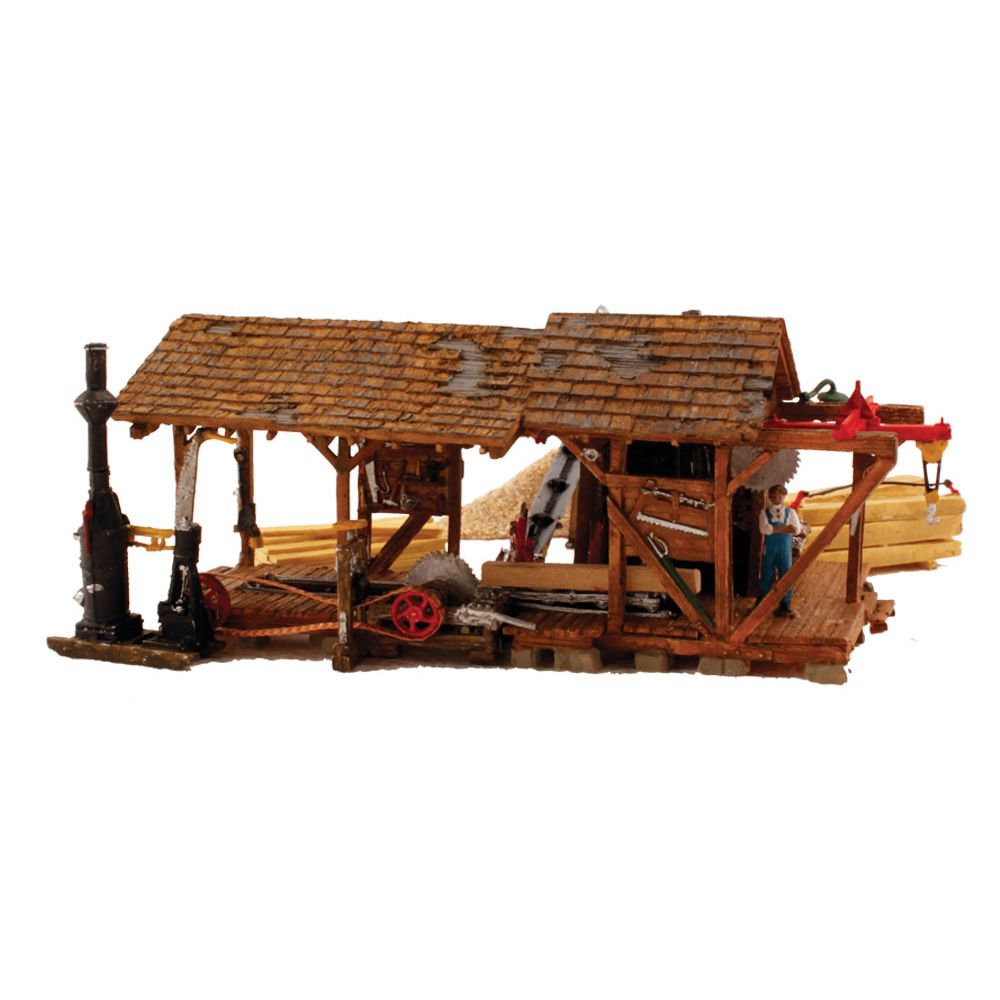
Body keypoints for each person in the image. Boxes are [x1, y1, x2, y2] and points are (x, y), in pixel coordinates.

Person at [757, 484, 810, 618]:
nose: (776, 498)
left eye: (779, 495)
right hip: (770, 547)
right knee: (766, 573)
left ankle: (785, 604)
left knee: (786, 573)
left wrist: (774, 530)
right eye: (773, 495)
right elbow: (764, 529)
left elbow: (796, 529)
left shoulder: (790, 512)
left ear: (784, 496)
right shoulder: (764, 513)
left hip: (784, 547)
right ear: (770, 497)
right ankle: (762, 602)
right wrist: (785, 529)